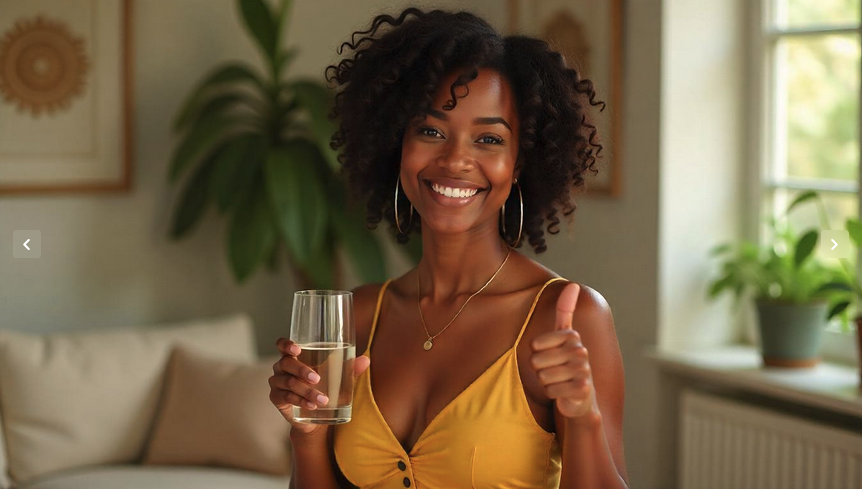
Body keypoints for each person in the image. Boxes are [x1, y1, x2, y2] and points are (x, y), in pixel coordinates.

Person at [269, 8, 628, 489]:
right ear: (397, 142)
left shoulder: (567, 316)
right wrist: (307, 437)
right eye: (431, 130)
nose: (456, 159)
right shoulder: (358, 315)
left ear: (519, 164)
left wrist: (583, 419)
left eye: (488, 139)